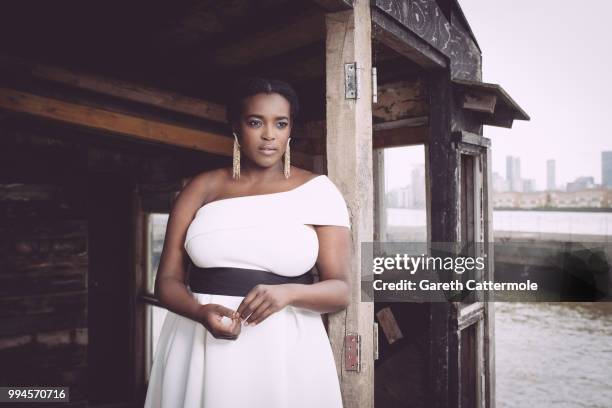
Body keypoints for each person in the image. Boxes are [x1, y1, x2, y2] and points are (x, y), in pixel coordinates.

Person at [144, 77, 352, 408]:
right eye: (256, 122)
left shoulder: (320, 192)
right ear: (236, 127)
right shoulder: (200, 188)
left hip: (287, 350)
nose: (269, 134)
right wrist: (200, 313)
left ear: (290, 130)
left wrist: (289, 292)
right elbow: (167, 282)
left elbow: (340, 291)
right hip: (198, 344)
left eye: (280, 123)